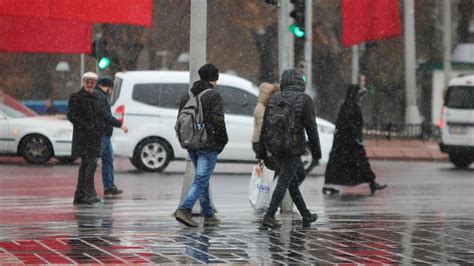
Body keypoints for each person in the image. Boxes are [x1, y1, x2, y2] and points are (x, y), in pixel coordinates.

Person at [256, 69, 321, 228]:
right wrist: (316, 152)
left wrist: (262, 150)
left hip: (275, 145)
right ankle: (270, 215)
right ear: (300, 82)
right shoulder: (304, 99)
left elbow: (265, 126)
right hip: (293, 146)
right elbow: (311, 128)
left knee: (292, 178)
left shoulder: (274, 98)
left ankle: (305, 214)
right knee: (285, 180)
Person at [175, 63, 228, 227]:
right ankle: (185, 209)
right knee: (201, 179)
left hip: (191, 143)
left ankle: (208, 214)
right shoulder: (213, 95)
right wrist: (222, 141)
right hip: (208, 143)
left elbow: (180, 120)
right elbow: (219, 121)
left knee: (202, 178)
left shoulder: (187, 95)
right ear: (215, 78)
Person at [323, 84, 387, 195]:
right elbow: (349, 125)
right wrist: (355, 138)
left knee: (344, 164)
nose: (360, 98)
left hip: (346, 142)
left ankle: (371, 182)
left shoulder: (348, 105)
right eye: (359, 95)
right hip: (348, 142)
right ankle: (371, 182)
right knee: (359, 162)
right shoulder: (350, 107)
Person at [67, 72, 105, 205]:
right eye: (88, 82)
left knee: (86, 166)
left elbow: (99, 117)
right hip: (83, 138)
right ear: (84, 82)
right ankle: (87, 194)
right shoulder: (76, 97)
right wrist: (85, 126)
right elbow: (71, 115)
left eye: (92, 82)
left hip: (94, 138)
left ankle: (81, 195)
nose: (90, 84)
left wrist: (99, 129)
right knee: (90, 165)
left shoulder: (96, 98)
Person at [94, 76, 128, 196]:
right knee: (95, 160)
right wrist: (120, 125)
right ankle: (98, 187)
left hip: (105, 134)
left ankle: (109, 186)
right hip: (102, 133)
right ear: (107, 87)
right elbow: (105, 115)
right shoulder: (100, 96)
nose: (112, 91)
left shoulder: (100, 96)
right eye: (111, 88)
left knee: (108, 159)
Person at [251, 82, 280, 173]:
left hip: (259, 144)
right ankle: (263, 186)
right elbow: (262, 131)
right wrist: (267, 150)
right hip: (261, 144)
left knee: (265, 171)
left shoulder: (262, 107)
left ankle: (262, 186)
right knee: (268, 171)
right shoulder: (262, 109)